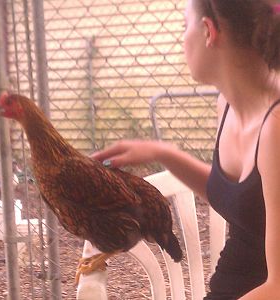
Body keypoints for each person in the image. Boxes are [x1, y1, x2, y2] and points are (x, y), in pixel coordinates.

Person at [92, 0, 280, 299]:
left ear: (208, 31)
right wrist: (163, 152)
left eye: (184, 26)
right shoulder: (229, 105)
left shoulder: (276, 128)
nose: (182, 38)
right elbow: (245, 201)